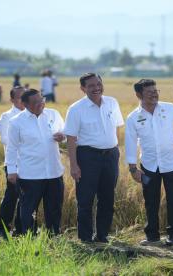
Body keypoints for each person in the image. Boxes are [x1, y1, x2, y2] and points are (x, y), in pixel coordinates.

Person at [64, 73, 124, 243]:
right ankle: (85, 238)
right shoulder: (76, 109)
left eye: (98, 84)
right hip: (88, 156)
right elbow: (71, 138)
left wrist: (115, 150)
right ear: (83, 88)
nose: (96, 88)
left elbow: (117, 128)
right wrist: (74, 165)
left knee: (107, 198)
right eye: (91, 86)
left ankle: (102, 235)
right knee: (85, 199)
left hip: (110, 156)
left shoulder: (112, 102)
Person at [125, 79, 173, 246]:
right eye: (150, 92)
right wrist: (133, 169)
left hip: (172, 163)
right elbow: (129, 142)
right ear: (138, 95)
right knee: (151, 200)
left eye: (156, 91)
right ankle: (152, 236)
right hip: (148, 166)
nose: (154, 94)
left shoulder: (169, 108)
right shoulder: (133, 117)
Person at [6, 89, 65, 235]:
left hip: (54, 171)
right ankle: (29, 237)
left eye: (42, 100)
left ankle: (53, 236)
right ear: (25, 104)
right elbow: (11, 148)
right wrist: (11, 171)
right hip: (30, 174)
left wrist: (62, 136)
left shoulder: (53, 114)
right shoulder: (16, 122)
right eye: (36, 102)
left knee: (54, 207)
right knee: (28, 209)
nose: (41, 104)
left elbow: (64, 131)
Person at [0, 86, 26, 238]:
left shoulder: (33, 114)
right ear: (12, 100)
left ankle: (21, 229)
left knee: (26, 197)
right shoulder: (6, 117)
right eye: (21, 97)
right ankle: (3, 228)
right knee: (11, 196)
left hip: (30, 164)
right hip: (14, 163)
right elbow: (6, 140)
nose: (24, 99)